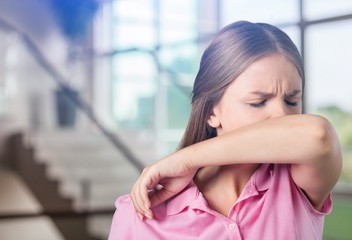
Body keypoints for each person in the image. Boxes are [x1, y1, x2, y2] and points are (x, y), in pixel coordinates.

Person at [108, 21, 342, 240]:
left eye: (292, 101)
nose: (282, 117)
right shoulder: (138, 217)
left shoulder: (297, 182)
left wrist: (187, 159)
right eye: (258, 102)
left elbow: (318, 136)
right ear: (211, 112)